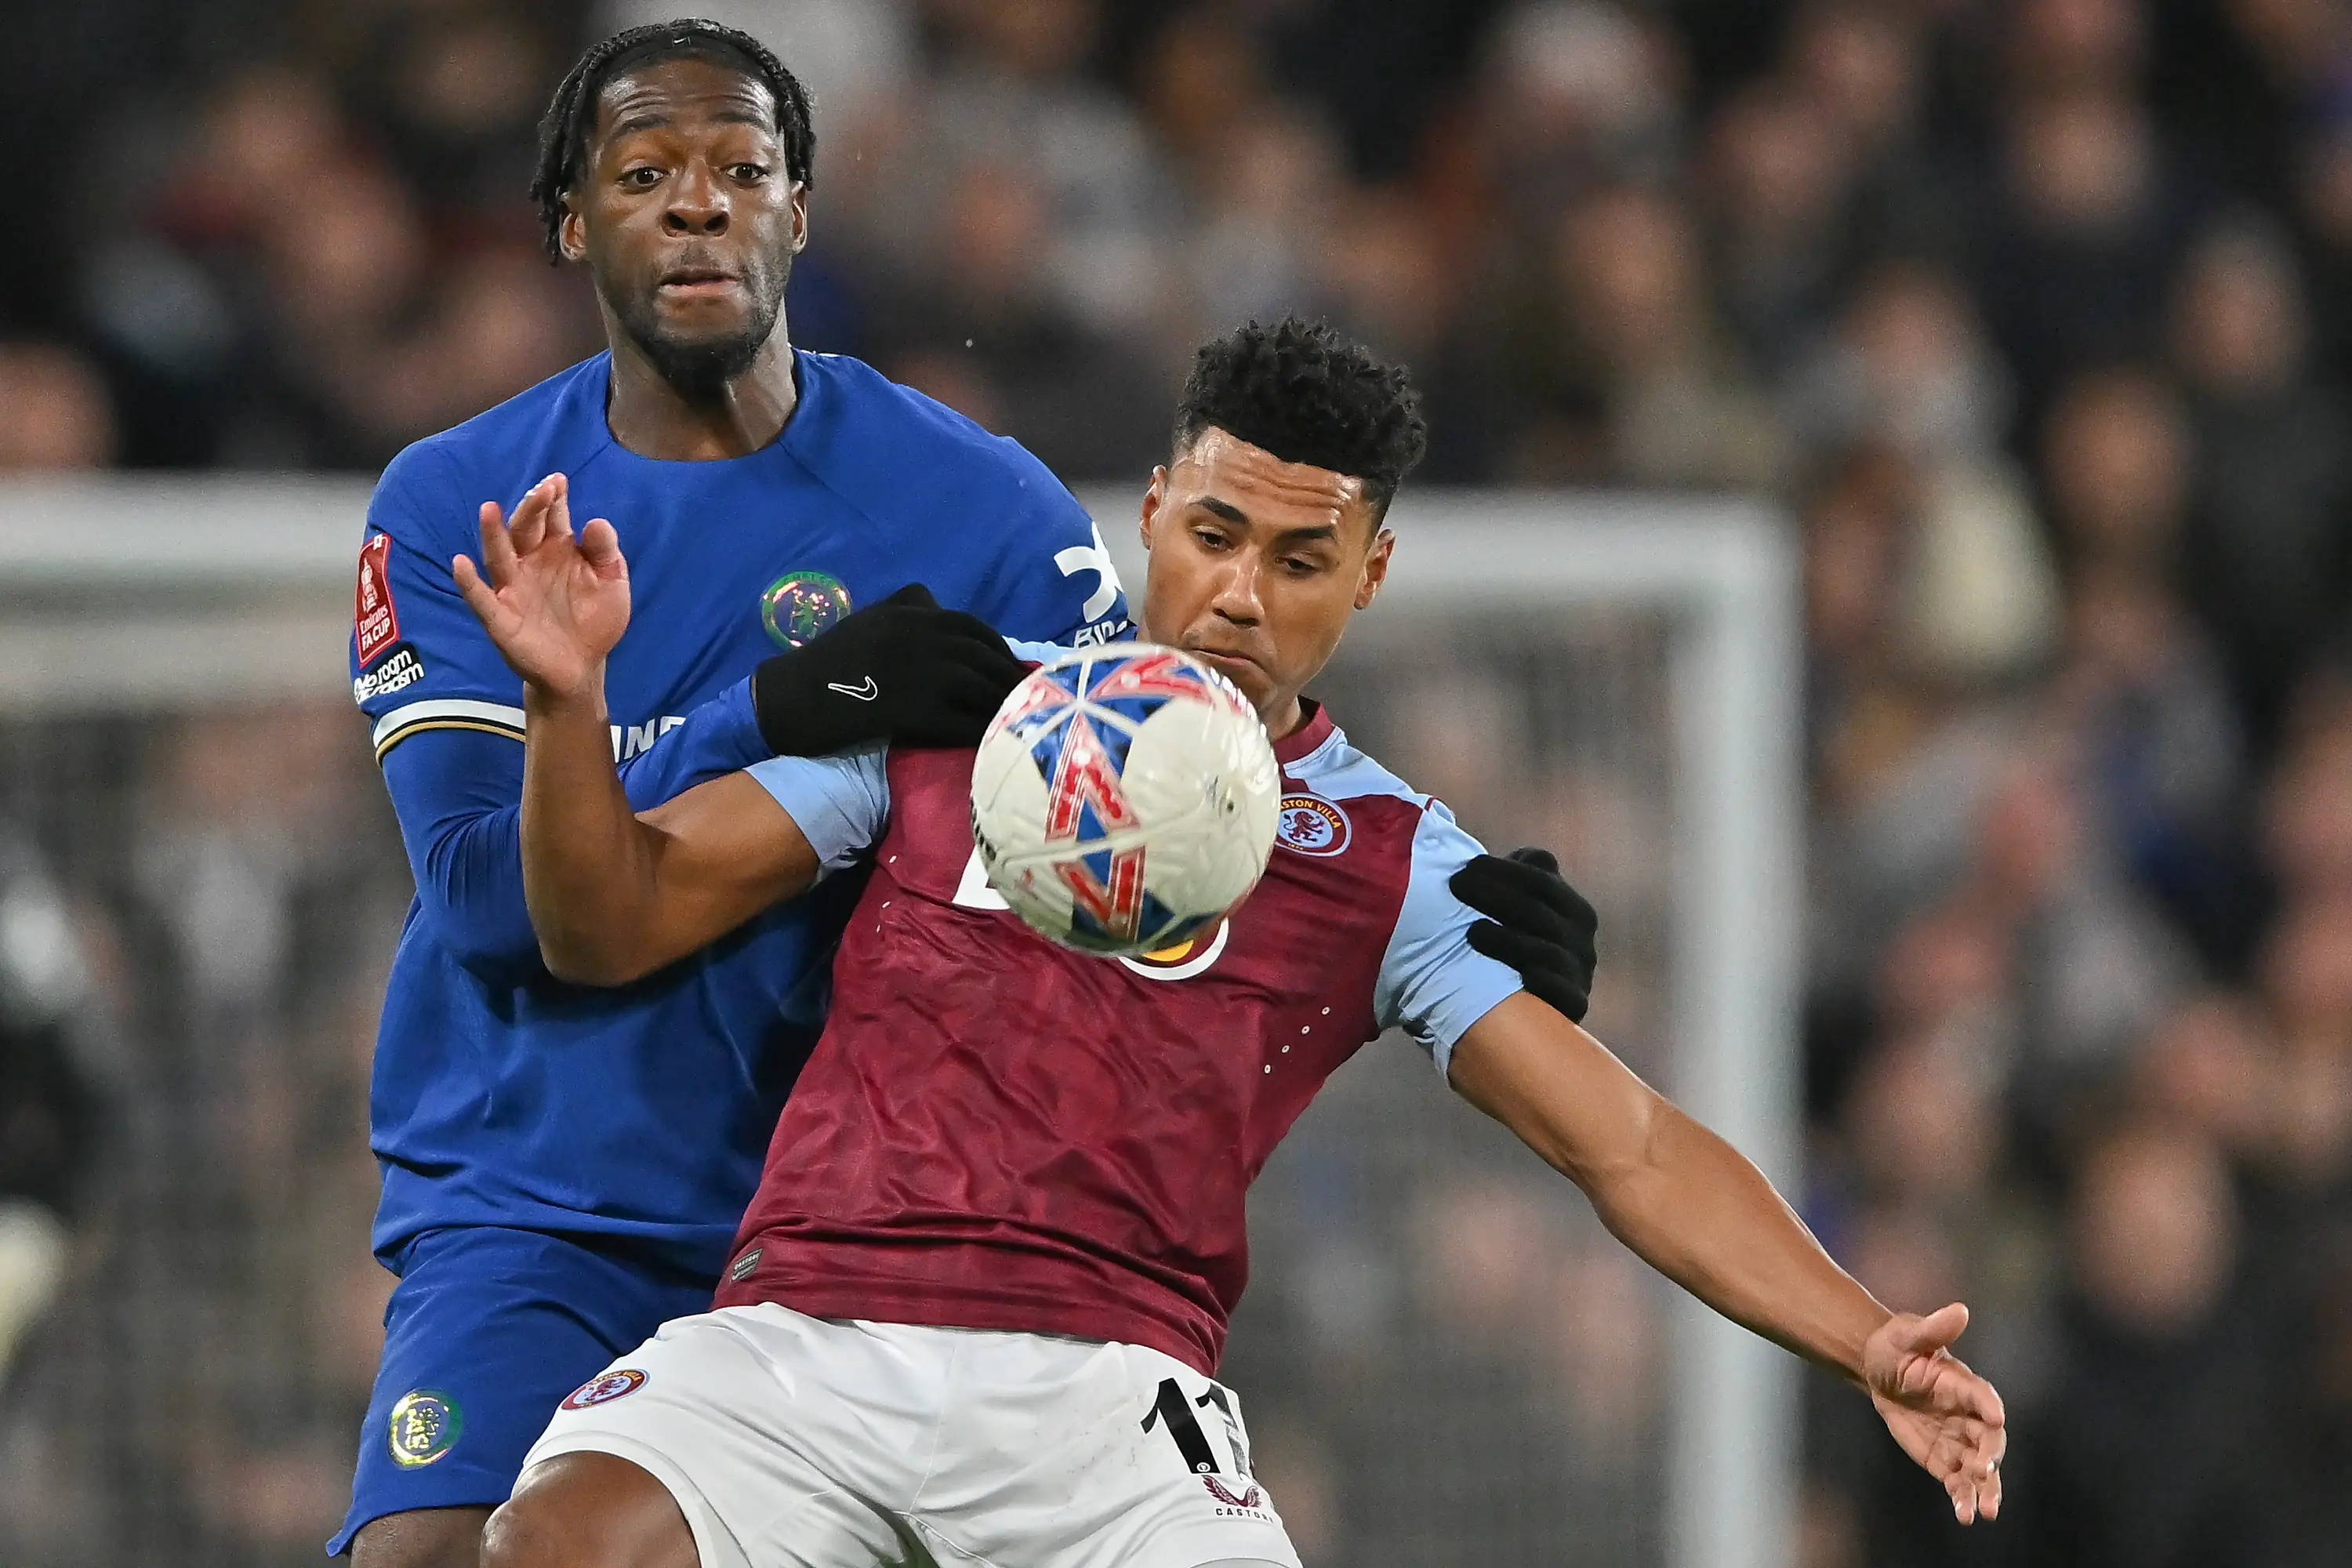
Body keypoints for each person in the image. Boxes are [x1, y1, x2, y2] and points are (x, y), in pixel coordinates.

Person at [337, 23, 1595, 1565]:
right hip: (546, 1203)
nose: (697, 205)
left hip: (849, 1246)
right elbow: (481, 894)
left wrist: (1454, 893)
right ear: (569, 221)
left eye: (742, 169)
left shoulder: (976, 500)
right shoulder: (456, 505)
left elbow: (1135, 789)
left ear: (801, 209)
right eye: (645, 173)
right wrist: (775, 705)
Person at [456, 318, 2005, 1568]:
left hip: (1108, 1408)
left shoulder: (1391, 862)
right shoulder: (945, 704)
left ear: (1371, 577)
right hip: (812, 1329)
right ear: (1149, 509)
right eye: (1212, 534)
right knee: (558, 1546)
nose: (1239, 596)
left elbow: (1634, 1145)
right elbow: (613, 919)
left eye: (1301, 561)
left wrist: (1864, 1335)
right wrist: (565, 704)